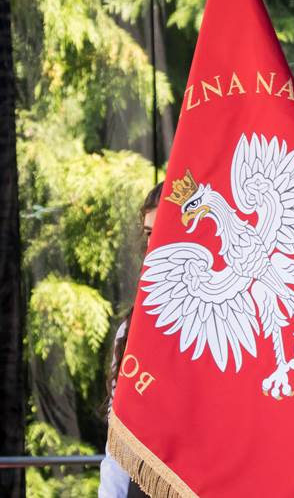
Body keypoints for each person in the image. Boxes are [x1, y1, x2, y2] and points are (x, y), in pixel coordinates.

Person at [99, 181, 162, 498]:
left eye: (163, 231)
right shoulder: (131, 330)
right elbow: (118, 445)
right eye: (149, 233)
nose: (154, 245)